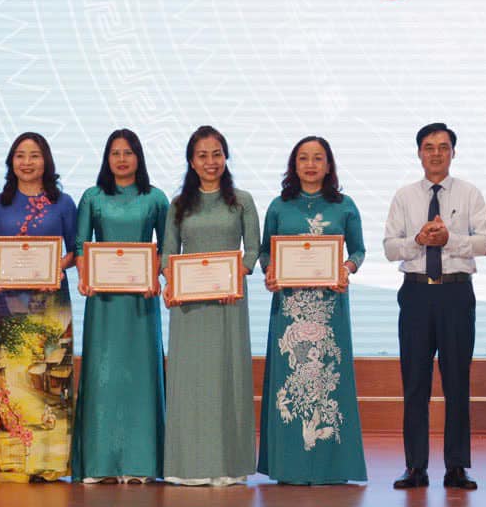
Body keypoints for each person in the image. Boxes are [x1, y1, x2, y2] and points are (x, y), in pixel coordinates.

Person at [383, 122, 486, 490]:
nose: (436, 153)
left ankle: (457, 467)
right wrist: (417, 239)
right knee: (415, 382)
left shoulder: (470, 193)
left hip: (456, 294)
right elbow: (390, 248)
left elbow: (485, 243)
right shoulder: (404, 196)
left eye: (443, 147)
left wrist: (450, 239)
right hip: (416, 294)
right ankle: (415, 467)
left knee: (457, 381)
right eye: (429, 147)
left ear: (453, 153)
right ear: (419, 152)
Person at [258, 136, 368, 484]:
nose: (310, 164)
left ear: (328, 164)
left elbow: (359, 251)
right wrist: (269, 271)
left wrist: (346, 269)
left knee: (328, 380)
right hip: (289, 309)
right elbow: (264, 252)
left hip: (329, 308)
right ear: (294, 165)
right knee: (291, 383)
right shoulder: (279, 206)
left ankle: (332, 467)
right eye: (303, 158)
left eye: (318, 158)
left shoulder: (344, 205)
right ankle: (288, 466)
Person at [161, 126, 259, 486]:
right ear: (191, 161)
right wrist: (171, 282)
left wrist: (237, 275)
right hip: (188, 308)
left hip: (228, 303)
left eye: (216, 154)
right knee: (191, 382)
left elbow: (253, 250)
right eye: (202, 155)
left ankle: (228, 465)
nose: (210, 162)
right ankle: (187, 466)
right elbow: (168, 254)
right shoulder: (178, 204)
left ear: (226, 157)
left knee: (226, 379)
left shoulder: (242, 201)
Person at [0, 132, 77, 482]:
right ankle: (12, 461)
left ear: (45, 161)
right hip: (10, 305)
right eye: (20, 155)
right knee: (10, 381)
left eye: (34, 155)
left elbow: (75, 251)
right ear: (11, 162)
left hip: (51, 307)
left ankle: (50, 462)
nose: (27, 162)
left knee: (49, 381)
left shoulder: (63, 203)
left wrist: (55, 268)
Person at [72, 129, 169, 483]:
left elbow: (167, 247)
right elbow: (81, 246)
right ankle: (100, 464)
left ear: (139, 157)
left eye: (128, 152)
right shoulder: (93, 197)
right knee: (104, 376)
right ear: (107, 158)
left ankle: (141, 464)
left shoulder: (155, 198)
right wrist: (85, 276)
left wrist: (156, 275)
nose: (122, 159)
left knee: (141, 377)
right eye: (115, 153)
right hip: (104, 302)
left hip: (142, 302)